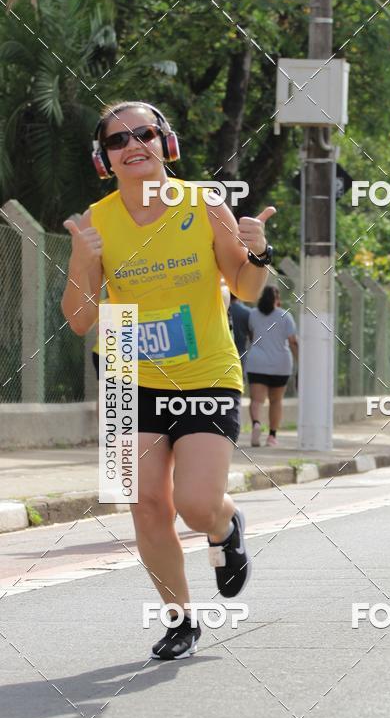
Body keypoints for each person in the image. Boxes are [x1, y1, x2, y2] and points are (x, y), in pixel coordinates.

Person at [61, 100, 275, 659]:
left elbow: (247, 289)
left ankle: (225, 527)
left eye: (144, 134)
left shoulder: (206, 205)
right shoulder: (94, 221)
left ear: (166, 144)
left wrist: (258, 251)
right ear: (104, 158)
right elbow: (81, 318)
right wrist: (83, 262)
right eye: (117, 140)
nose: (133, 145)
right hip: (127, 377)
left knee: (195, 503)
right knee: (145, 504)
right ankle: (181, 619)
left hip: (207, 374)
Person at [246, 285, 298, 447]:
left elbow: (252, 335)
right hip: (280, 364)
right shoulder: (285, 316)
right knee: (276, 401)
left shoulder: (253, 314)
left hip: (257, 363)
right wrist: (300, 362)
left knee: (256, 400)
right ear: (277, 299)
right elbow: (293, 342)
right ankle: (272, 436)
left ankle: (256, 423)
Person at [229, 293, 251, 371]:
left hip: (224, 352)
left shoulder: (220, 310)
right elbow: (252, 335)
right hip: (241, 351)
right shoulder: (247, 312)